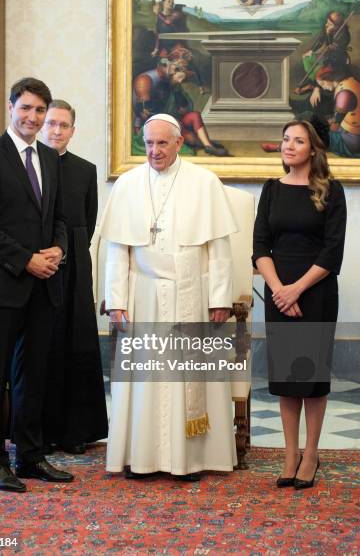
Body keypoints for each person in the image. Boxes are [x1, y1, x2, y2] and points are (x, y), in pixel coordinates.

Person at [100, 113, 238, 480]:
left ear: (178, 143)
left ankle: (188, 460)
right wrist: (115, 300)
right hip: (142, 292)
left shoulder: (204, 182)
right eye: (148, 143)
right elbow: (117, 249)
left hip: (189, 289)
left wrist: (219, 297)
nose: (154, 151)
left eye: (162, 143)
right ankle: (141, 458)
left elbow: (219, 248)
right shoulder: (127, 185)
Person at [0, 78, 74, 492]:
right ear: (12, 107)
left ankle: (29, 457)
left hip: (44, 285)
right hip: (4, 284)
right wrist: (25, 259)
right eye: (26, 108)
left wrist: (57, 252)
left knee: (33, 375)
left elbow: (60, 219)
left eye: (40, 111)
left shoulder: (49, 157)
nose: (33, 117)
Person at [253, 113, 346, 490]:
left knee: (311, 379)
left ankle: (311, 453)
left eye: (297, 141)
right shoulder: (271, 189)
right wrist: (279, 289)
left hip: (316, 291)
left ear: (314, 149)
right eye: (285, 139)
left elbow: (332, 250)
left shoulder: (331, 190)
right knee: (287, 379)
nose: (288, 146)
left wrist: (296, 290)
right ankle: (290, 454)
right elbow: (260, 246)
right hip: (279, 288)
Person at [40, 100, 108, 454]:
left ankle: (77, 431)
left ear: (72, 130)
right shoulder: (31, 165)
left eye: (63, 125)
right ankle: (41, 432)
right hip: (39, 267)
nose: (56, 130)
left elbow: (89, 219)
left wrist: (71, 252)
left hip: (77, 265)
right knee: (45, 345)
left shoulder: (85, 169)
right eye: (51, 123)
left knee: (78, 343)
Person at [133, 59, 229, 156]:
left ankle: (209, 146)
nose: (180, 81)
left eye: (182, 79)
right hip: (165, 123)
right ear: (171, 76)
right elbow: (151, 111)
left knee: (195, 115)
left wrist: (181, 102)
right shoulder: (161, 88)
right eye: (178, 78)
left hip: (177, 119)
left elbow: (183, 106)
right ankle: (205, 143)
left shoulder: (177, 88)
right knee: (191, 139)